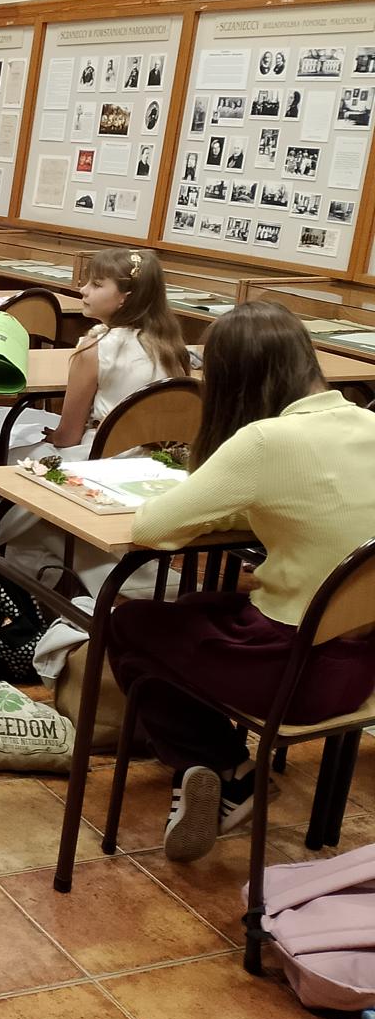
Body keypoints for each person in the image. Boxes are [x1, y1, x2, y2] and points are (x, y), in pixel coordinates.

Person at [109, 303, 375, 862]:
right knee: (204, 607)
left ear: (232, 381)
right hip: (362, 665)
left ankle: (223, 765)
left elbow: (151, 528)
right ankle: (228, 775)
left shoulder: (263, 441)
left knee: (132, 624)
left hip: (292, 676)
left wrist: (213, 508)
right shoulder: (368, 422)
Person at [0, 249, 192, 589]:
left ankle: (19, 560)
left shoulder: (95, 347)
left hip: (102, 464)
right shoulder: (171, 347)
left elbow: (69, 435)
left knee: (8, 461)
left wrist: (52, 437)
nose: (83, 290)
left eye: (97, 284)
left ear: (125, 297)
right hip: (157, 464)